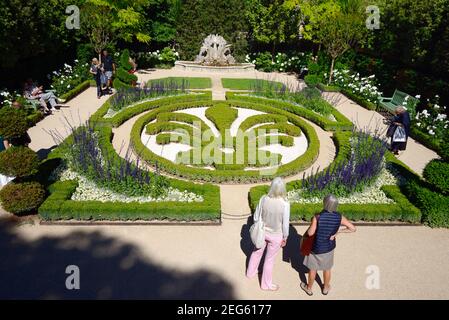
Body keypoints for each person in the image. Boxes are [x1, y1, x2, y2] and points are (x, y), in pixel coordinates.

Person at [300, 194, 356, 296]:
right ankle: (325, 288)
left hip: (315, 248)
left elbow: (310, 233)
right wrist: (339, 232)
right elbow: (353, 228)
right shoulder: (340, 217)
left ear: (324, 203)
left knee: (312, 270)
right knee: (327, 269)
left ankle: (309, 288)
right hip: (329, 248)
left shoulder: (317, 217)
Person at [246, 177, 290, 291]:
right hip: (276, 234)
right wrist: (285, 237)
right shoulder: (285, 204)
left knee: (256, 251)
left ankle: (250, 273)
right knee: (269, 260)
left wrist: (259, 226)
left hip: (262, 231)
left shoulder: (264, 198)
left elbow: (256, 216)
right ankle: (265, 284)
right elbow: (285, 224)